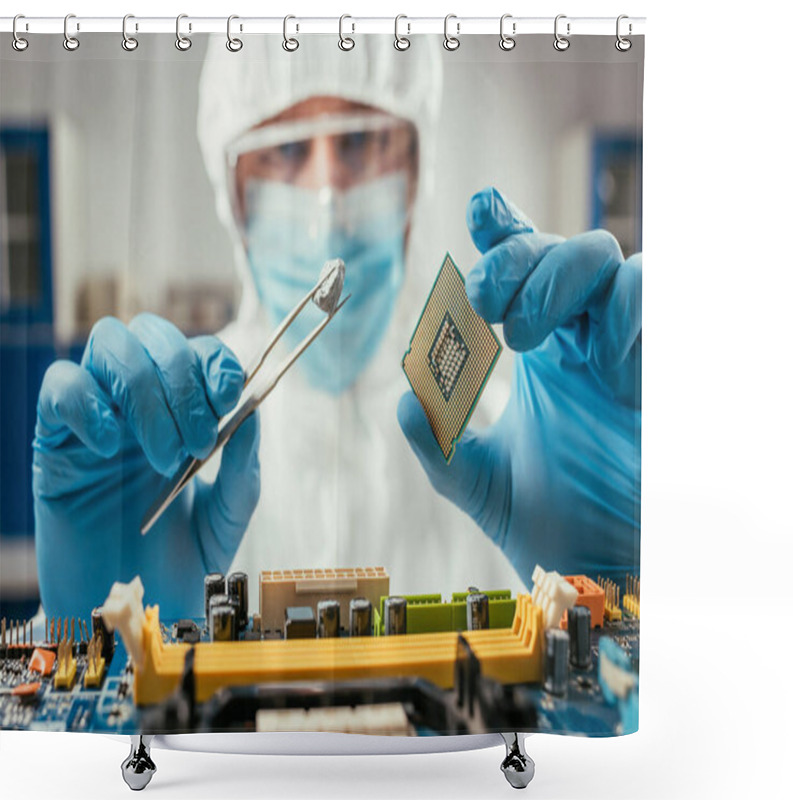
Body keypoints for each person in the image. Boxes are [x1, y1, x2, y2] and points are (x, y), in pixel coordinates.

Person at [32, 37, 641, 622]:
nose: (328, 197)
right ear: (233, 191)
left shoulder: (514, 446)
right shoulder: (167, 443)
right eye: (287, 150)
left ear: (415, 166)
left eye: (358, 140)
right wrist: (103, 649)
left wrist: (613, 595)